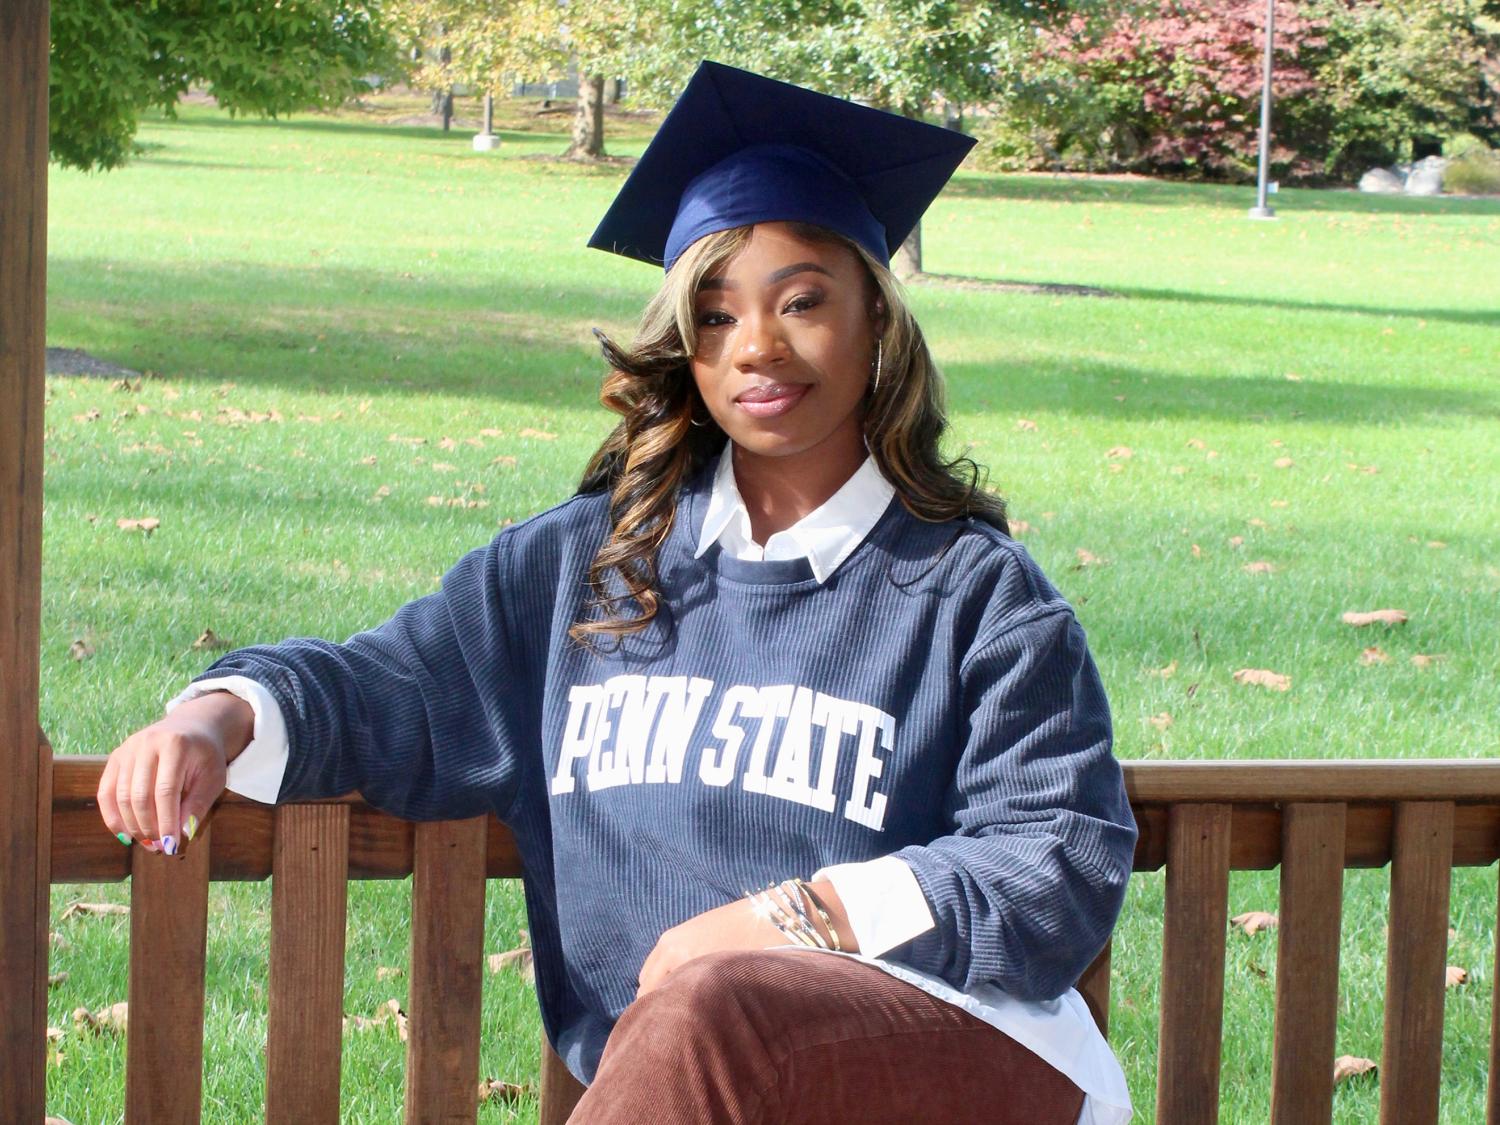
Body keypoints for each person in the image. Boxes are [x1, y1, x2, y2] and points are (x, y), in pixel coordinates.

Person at [97, 61, 1137, 1124]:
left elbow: (1057, 857)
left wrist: (792, 921)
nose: (759, 348)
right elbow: (391, 689)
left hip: (953, 1052)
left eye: (804, 301)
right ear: (685, 346)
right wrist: (218, 716)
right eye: (719, 316)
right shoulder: (578, 575)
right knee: (703, 1019)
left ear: (879, 318)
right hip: (687, 1088)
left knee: (713, 1009)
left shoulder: (972, 595)